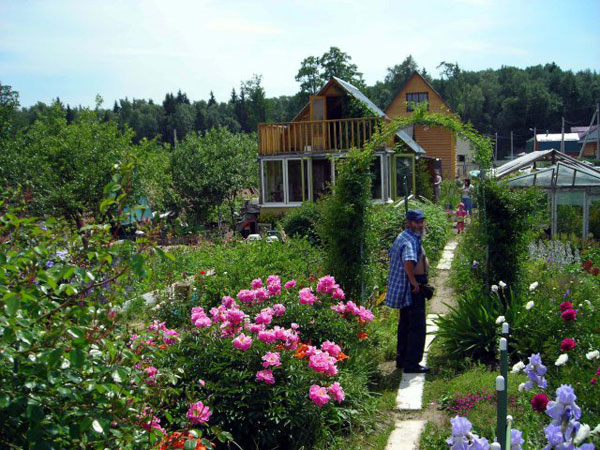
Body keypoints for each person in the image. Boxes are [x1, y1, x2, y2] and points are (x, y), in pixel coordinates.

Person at [385, 209, 430, 373]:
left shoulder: (406, 236)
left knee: (405, 324)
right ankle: (412, 363)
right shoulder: (409, 240)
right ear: (409, 222)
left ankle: (403, 359)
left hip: (408, 288)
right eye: (417, 222)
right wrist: (414, 283)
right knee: (416, 327)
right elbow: (408, 262)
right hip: (412, 288)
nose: (420, 224)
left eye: (421, 221)